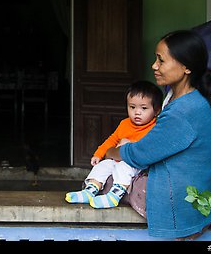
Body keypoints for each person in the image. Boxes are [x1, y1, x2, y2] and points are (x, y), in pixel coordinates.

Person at [105, 29, 211, 240]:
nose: (154, 66)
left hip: (180, 201)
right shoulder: (191, 98)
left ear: (186, 67)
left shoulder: (184, 110)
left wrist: (112, 151)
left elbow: (141, 154)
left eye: (161, 60)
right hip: (195, 193)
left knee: (107, 177)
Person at [65, 80, 163, 209]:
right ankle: (90, 190)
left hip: (137, 164)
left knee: (124, 167)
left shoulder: (155, 128)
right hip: (118, 158)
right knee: (103, 165)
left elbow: (149, 148)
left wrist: (130, 144)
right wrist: (99, 154)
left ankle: (114, 195)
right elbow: (112, 140)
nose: (137, 112)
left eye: (144, 108)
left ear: (156, 111)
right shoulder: (125, 124)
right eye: (132, 107)